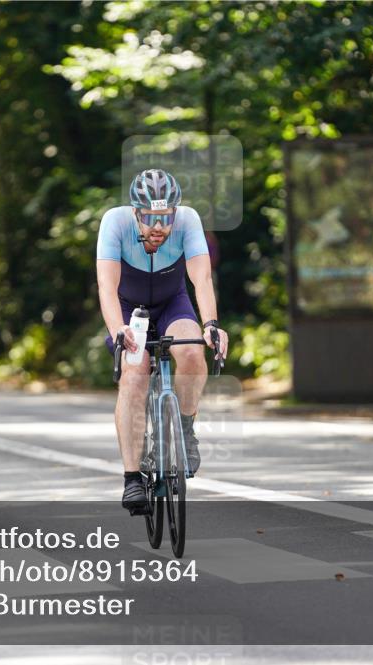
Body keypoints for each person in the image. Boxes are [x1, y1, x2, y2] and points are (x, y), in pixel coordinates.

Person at [96, 169, 229, 514]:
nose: (160, 227)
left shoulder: (188, 221)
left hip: (173, 300)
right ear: (136, 213)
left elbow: (201, 279)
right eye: (152, 218)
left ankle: (184, 430)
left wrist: (212, 324)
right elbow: (107, 288)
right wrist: (118, 331)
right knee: (135, 373)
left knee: (190, 349)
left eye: (166, 218)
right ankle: (131, 479)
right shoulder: (115, 222)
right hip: (129, 309)